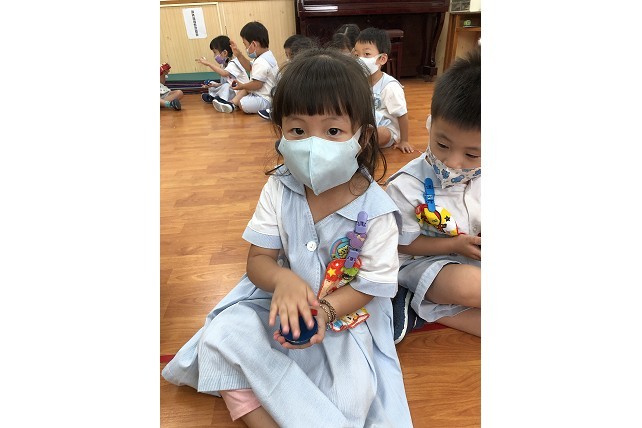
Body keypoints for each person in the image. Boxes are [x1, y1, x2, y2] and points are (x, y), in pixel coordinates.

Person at [162, 48, 414, 428]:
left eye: (332, 131)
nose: (313, 145)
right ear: (280, 131)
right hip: (274, 304)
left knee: (355, 397)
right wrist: (282, 280)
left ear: (362, 136)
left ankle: (285, 403)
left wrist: (325, 312)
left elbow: (369, 286)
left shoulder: (376, 211)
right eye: (298, 131)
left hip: (341, 314)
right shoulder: (279, 188)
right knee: (221, 335)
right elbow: (259, 259)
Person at [384, 47, 481, 342]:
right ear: (429, 125)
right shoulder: (406, 186)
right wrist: (456, 245)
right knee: (472, 287)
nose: (453, 162)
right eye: (442, 144)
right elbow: (402, 244)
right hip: (426, 264)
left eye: (472, 154)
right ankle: (422, 304)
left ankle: (434, 312)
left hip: (472, 260)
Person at [353, 27, 415, 154]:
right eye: (356, 55)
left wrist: (404, 140)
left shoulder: (390, 87)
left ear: (382, 59)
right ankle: (359, 143)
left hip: (385, 129)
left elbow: (402, 114)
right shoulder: (358, 81)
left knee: (380, 133)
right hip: (365, 124)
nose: (360, 59)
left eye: (367, 54)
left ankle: (359, 147)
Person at [213, 21, 279, 115]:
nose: (246, 48)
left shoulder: (261, 62)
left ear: (254, 44)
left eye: (245, 45)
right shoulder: (266, 55)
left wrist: (242, 86)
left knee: (243, 103)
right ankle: (231, 104)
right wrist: (239, 54)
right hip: (265, 94)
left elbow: (257, 85)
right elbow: (250, 67)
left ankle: (268, 108)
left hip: (266, 99)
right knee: (246, 89)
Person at [258, 35, 317, 121]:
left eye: (290, 56)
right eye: (287, 55)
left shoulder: (308, 69)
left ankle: (278, 113)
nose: (288, 59)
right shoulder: (297, 68)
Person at [196, 35, 249, 106]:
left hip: (240, 91)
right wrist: (214, 85)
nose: (214, 56)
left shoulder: (234, 63)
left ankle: (221, 99)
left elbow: (224, 74)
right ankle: (213, 97)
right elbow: (225, 83)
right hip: (231, 88)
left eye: (215, 52)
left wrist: (208, 63)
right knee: (213, 84)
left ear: (224, 53)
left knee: (226, 86)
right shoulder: (223, 65)